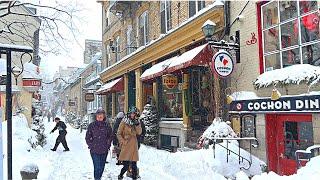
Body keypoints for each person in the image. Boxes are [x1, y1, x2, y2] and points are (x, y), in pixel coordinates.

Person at [86, 108, 113, 180]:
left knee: (102, 166)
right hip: (94, 150)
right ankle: (97, 178)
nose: (100, 116)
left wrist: (108, 145)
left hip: (104, 150)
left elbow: (110, 136)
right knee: (97, 166)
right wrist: (91, 145)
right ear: (96, 116)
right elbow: (87, 137)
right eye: (98, 115)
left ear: (104, 116)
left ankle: (99, 177)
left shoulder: (107, 126)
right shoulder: (92, 125)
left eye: (101, 115)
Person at [117, 107, 142, 180]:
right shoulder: (124, 121)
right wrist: (123, 142)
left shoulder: (137, 121)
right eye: (131, 113)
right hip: (126, 145)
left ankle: (134, 178)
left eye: (134, 113)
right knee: (126, 165)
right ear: (128, 113)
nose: (132, 115)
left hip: (134, 144)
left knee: (134, 165)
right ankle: (120, 175)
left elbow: (139, 132)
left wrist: (137, 125)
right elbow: (118, 134)